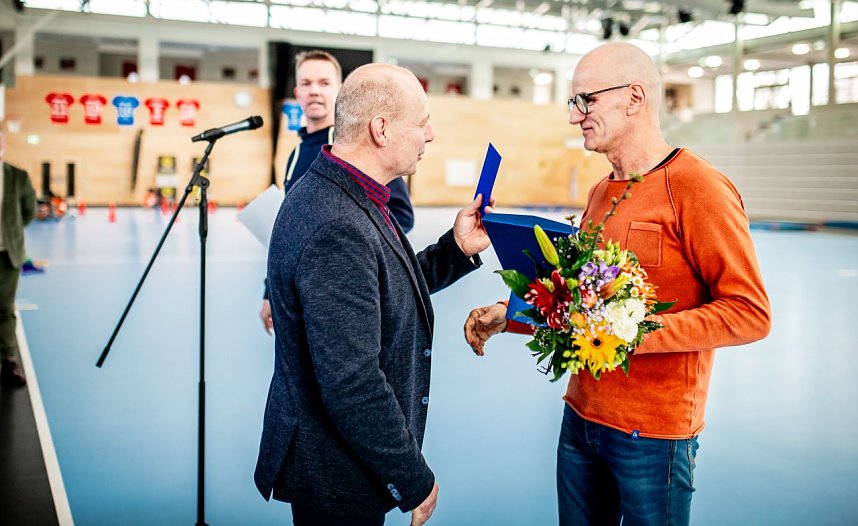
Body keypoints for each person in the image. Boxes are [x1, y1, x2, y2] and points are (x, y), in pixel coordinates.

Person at [463, 42, 771, 526]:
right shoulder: (601, 191)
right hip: (581, 421)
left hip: (652, 438)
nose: (575, 116)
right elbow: (578, 300)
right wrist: (512, 316)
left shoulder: (699, 187)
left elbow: (750, 312)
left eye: (586, 100)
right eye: (574, 103)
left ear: (633, 97)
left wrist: (636, 334)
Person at [254, 63, 492, 526]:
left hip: (339, 463)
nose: (431, 134)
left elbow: (386, 284)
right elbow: (352, 382)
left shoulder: (346, 192)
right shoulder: (337, 222)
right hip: (336, 472)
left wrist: (455, 249)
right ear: (381, 129)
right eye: (421, 122)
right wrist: (412, 477)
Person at [259, 50, 415, 335]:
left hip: (342, 293)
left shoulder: (354, 148)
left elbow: (402, 215)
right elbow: (289, 229)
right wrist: (270, 290)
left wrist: (347, 251)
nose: (314, 91)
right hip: (299, 295)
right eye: (306, 84)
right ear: (297, 92)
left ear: (341, 91)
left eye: (324, 83)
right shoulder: (295, 154)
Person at [0, 130, 37, 387]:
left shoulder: (18, 177)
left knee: (4, 309)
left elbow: (28, 212)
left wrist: (10, 235)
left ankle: (8, 361)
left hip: (7, 255)